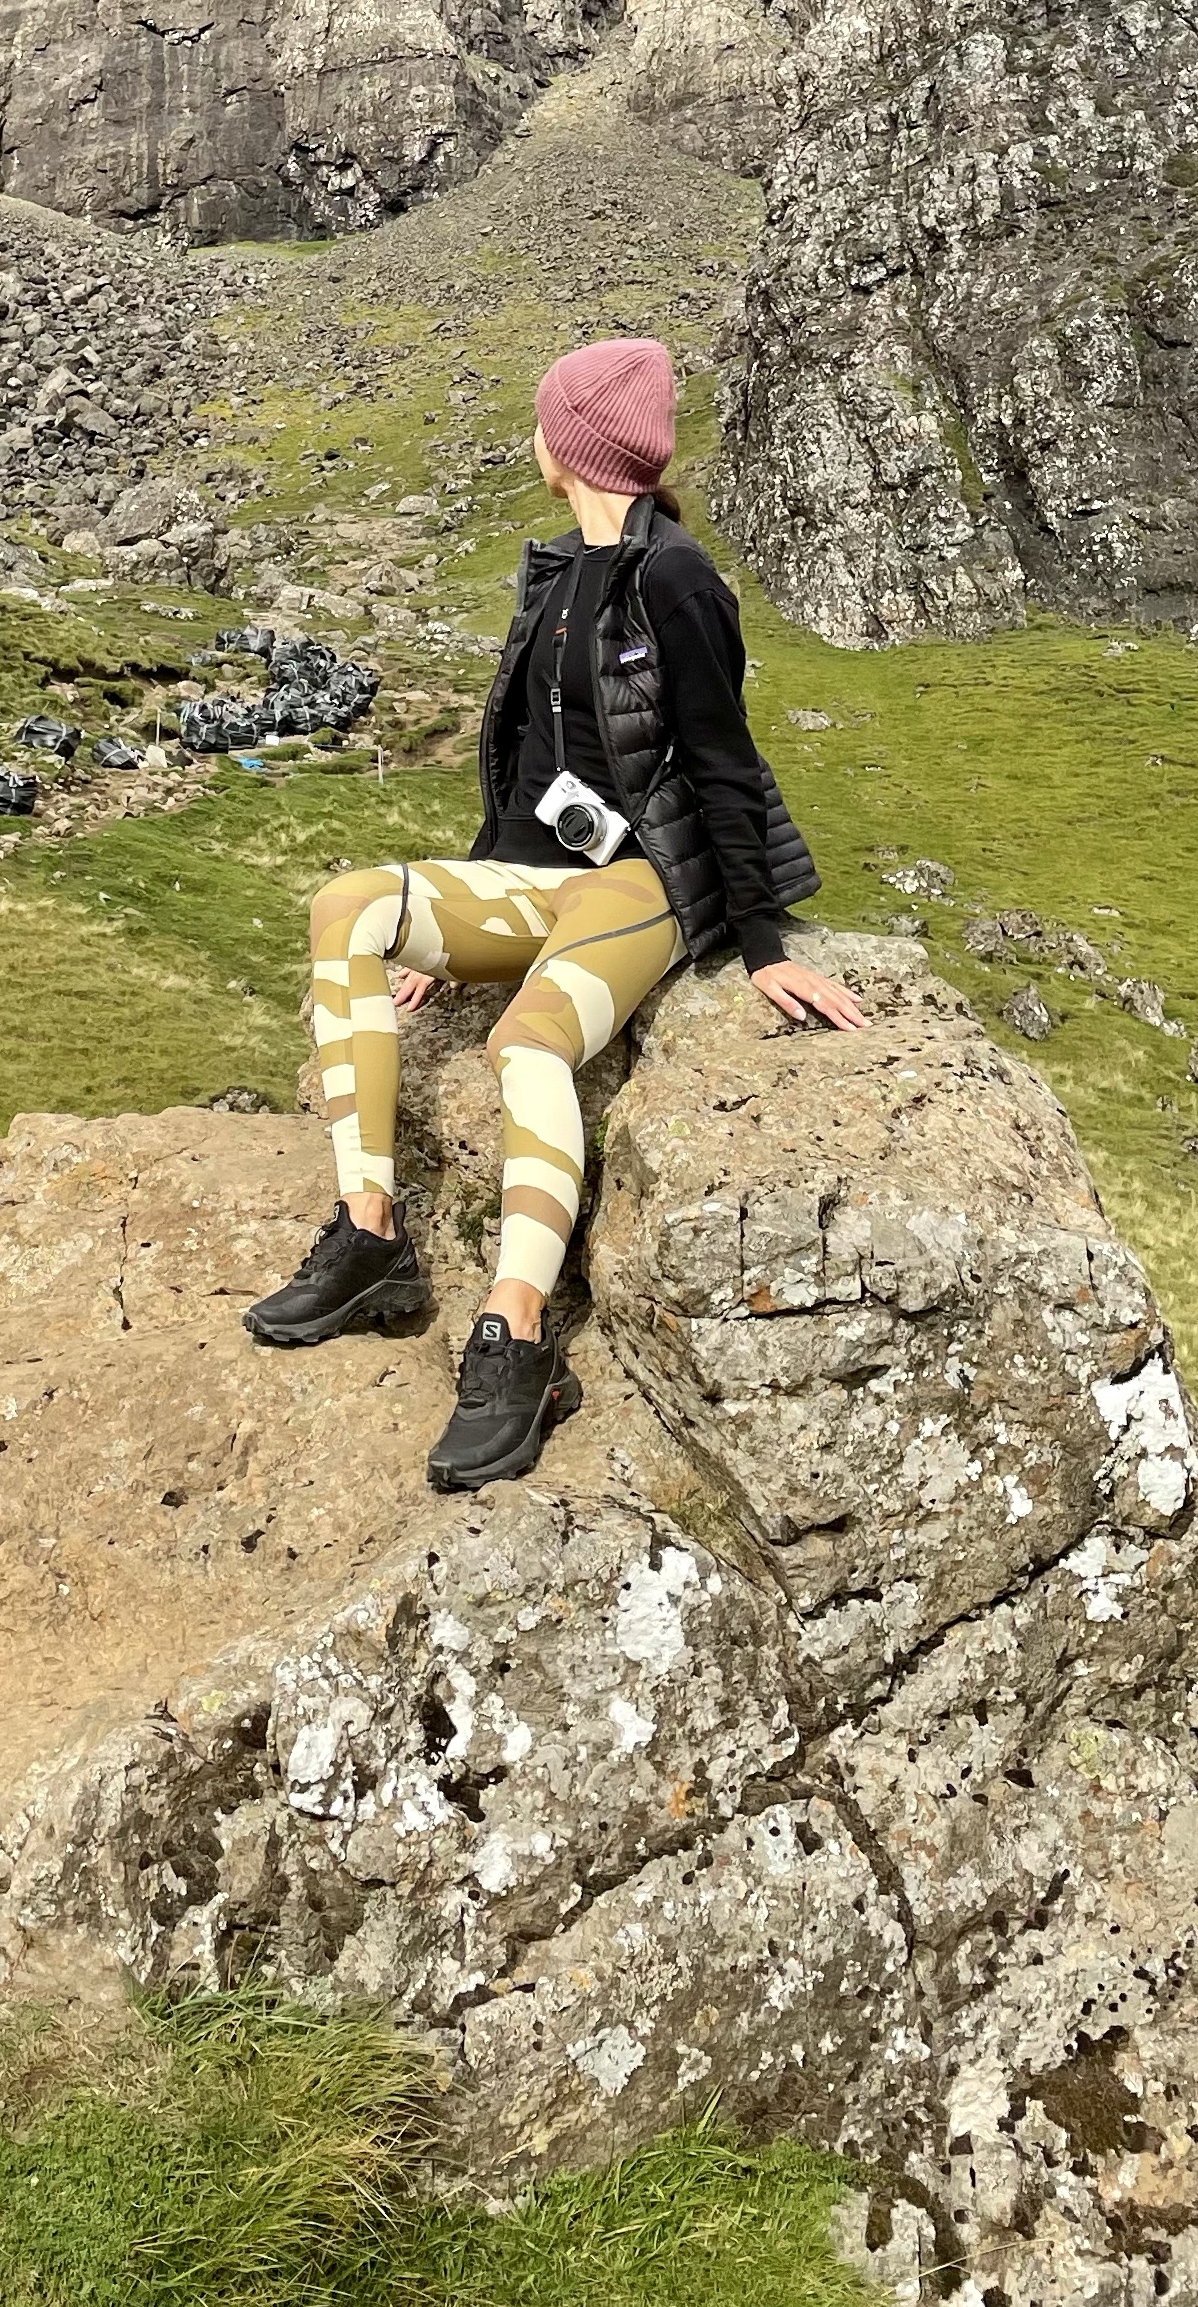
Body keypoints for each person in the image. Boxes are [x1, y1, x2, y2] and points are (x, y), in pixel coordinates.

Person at [245, 335, 865, 1491]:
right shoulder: (559, 573)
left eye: (543, 421)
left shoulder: (678, 580)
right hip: (544, 875)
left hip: (647, 883)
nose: (534, 438)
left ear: (569, 445)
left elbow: (725, 762)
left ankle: (519, 1332)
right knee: (349, 907)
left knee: (526, 1045)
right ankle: (370, 1235)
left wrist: (763, 943)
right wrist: (460, 924)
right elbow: (533, 765)